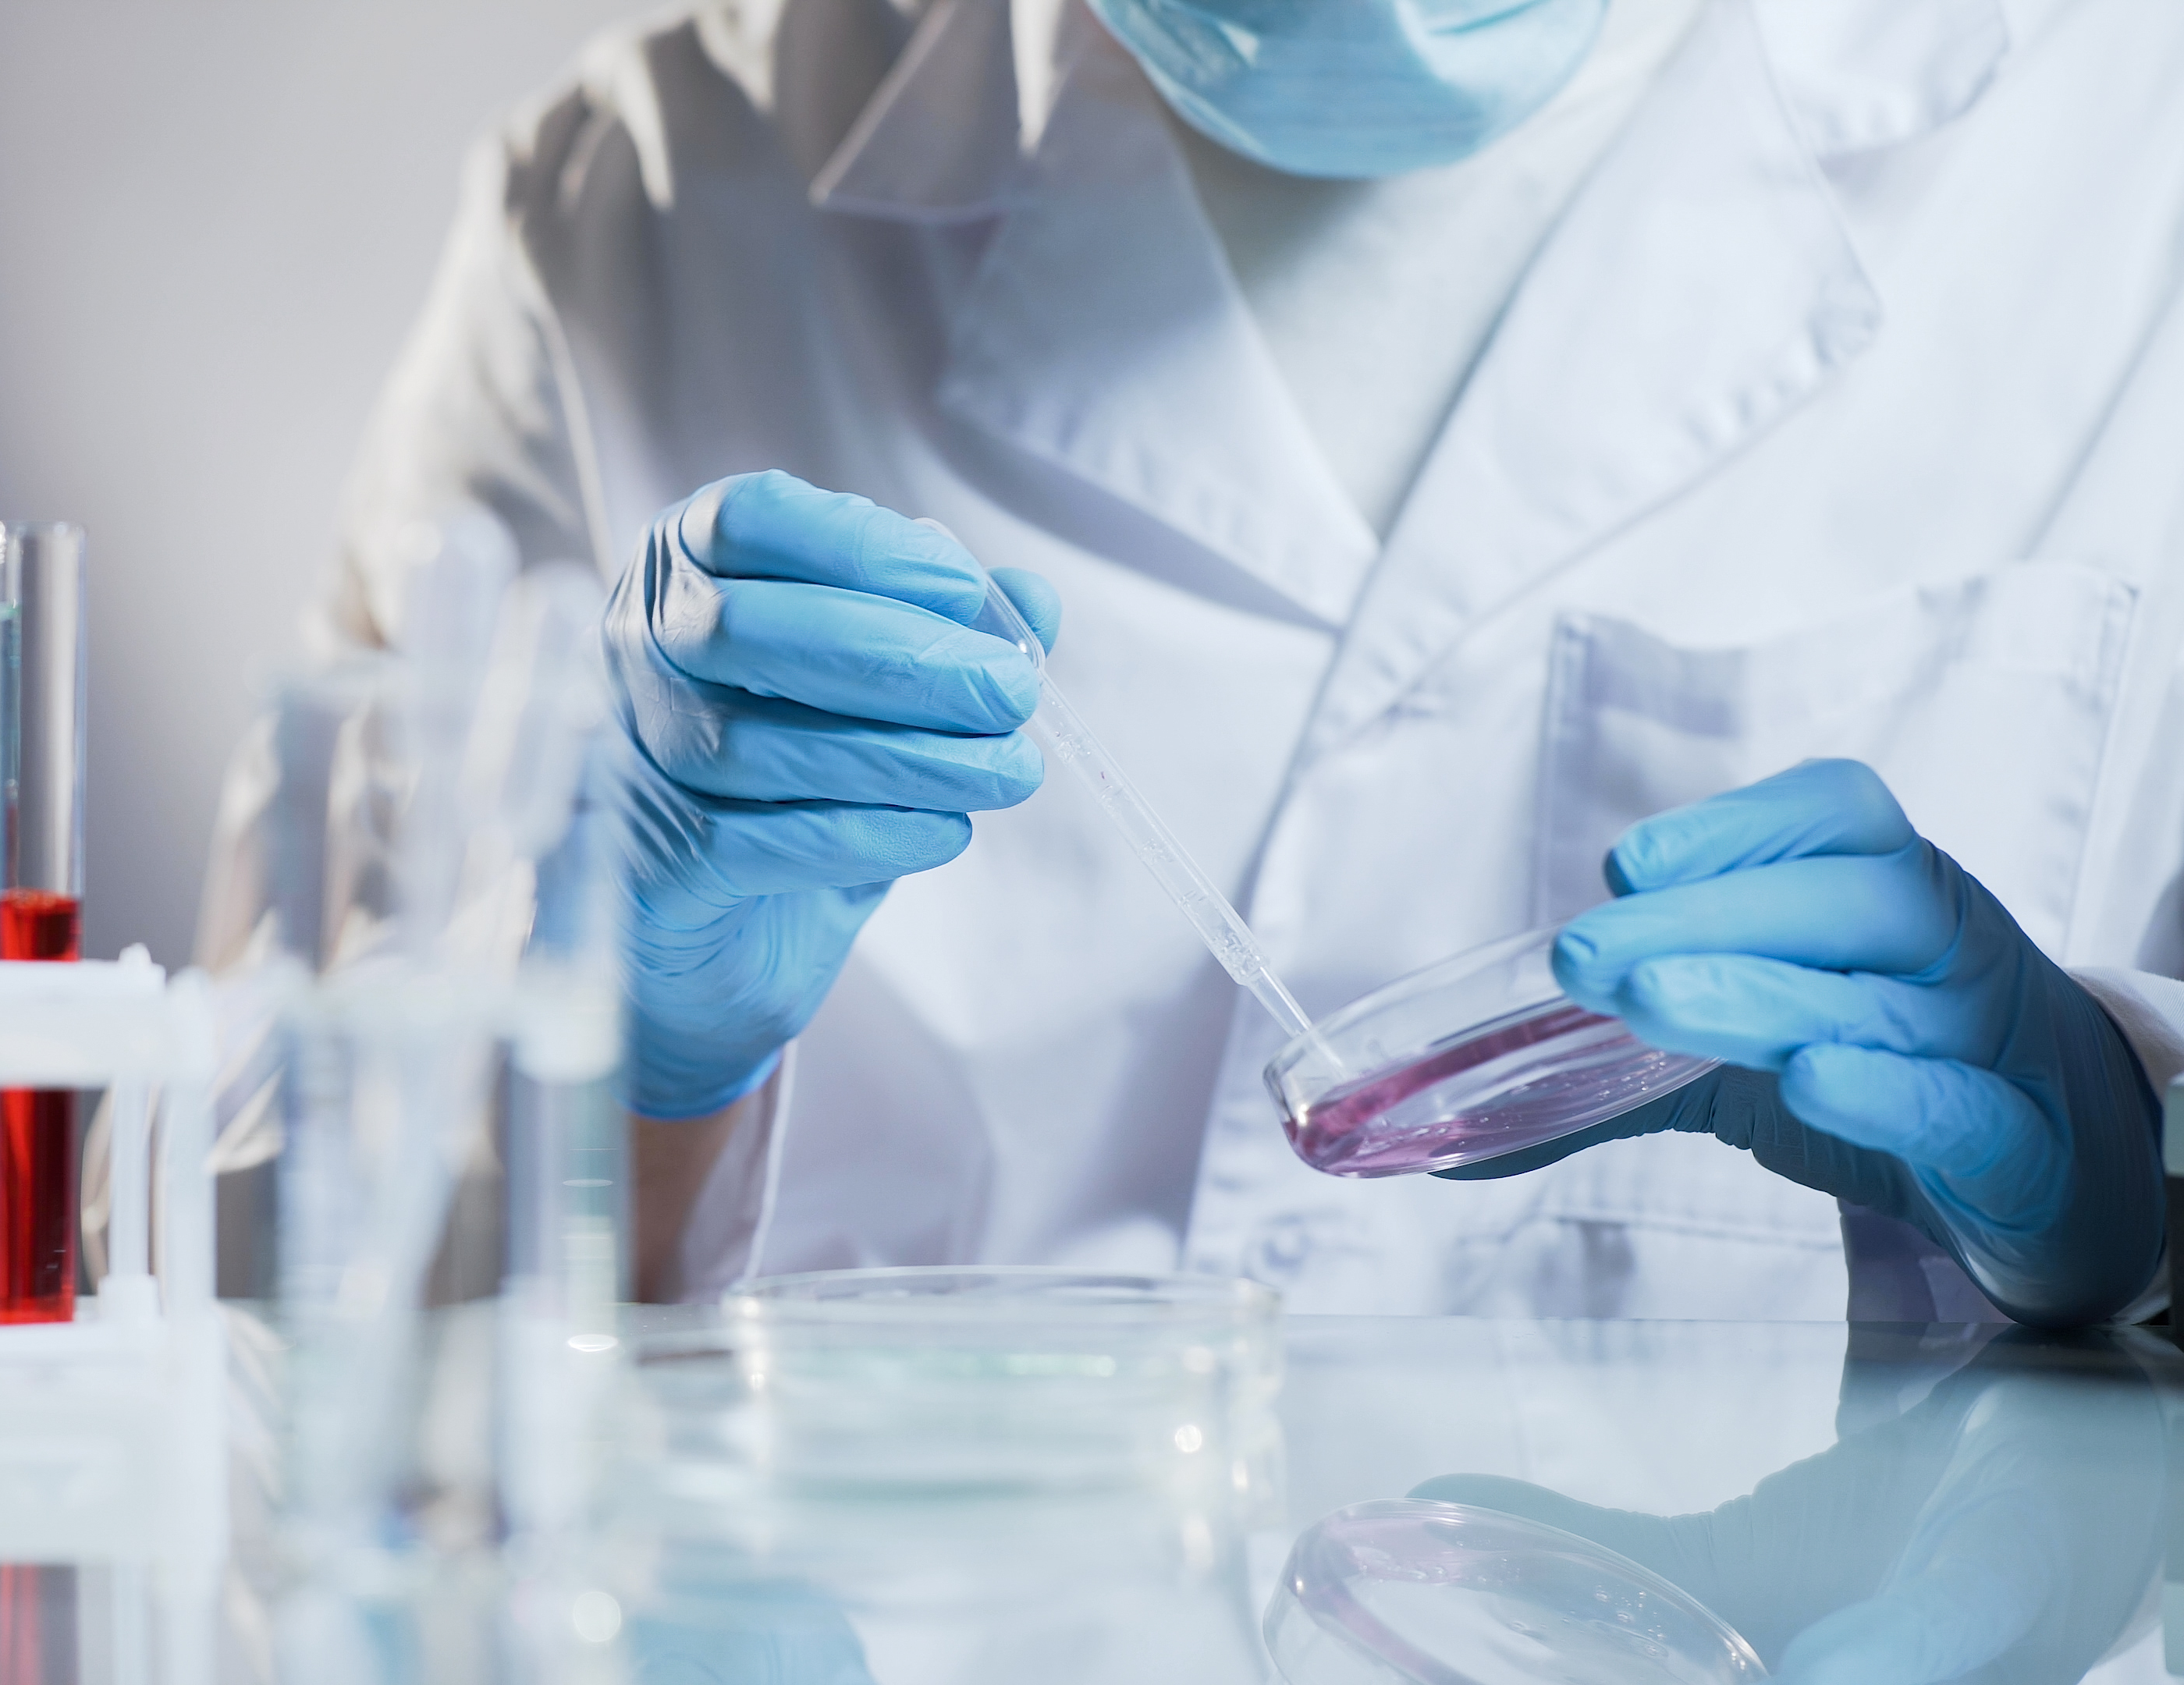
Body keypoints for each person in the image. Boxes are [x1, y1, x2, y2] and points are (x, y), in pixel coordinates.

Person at [311, 0, 2184, 1322]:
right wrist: (610, 1081)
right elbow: (268, 1284)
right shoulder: (623, 217)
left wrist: (2140, 1172)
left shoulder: (2126, 151)